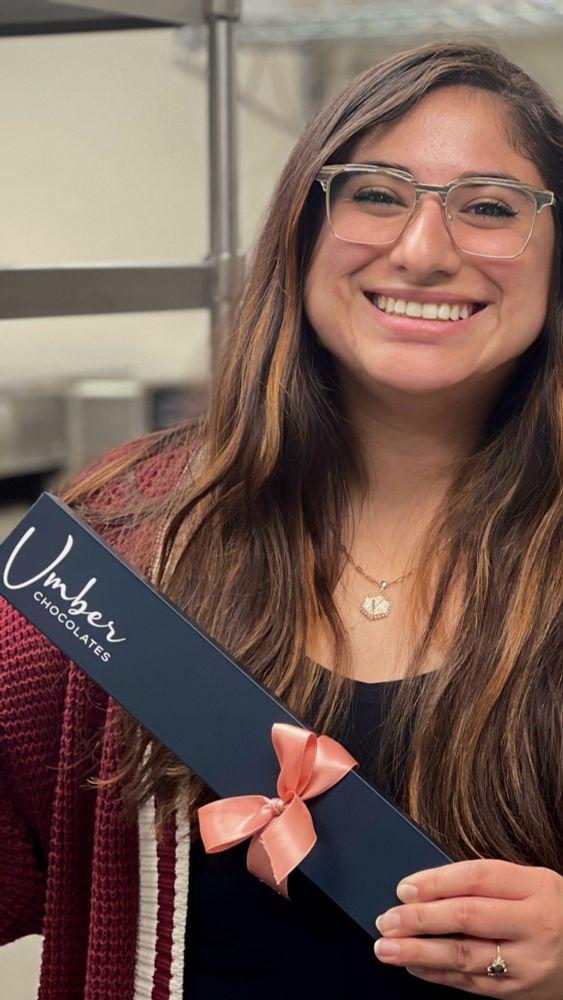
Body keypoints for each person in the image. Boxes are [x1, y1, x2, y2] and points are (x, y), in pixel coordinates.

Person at [1, 38, 562, 1000]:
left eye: (488, 207)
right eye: (376, 194)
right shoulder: (127, 534)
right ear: (302, 231)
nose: (424, 251)